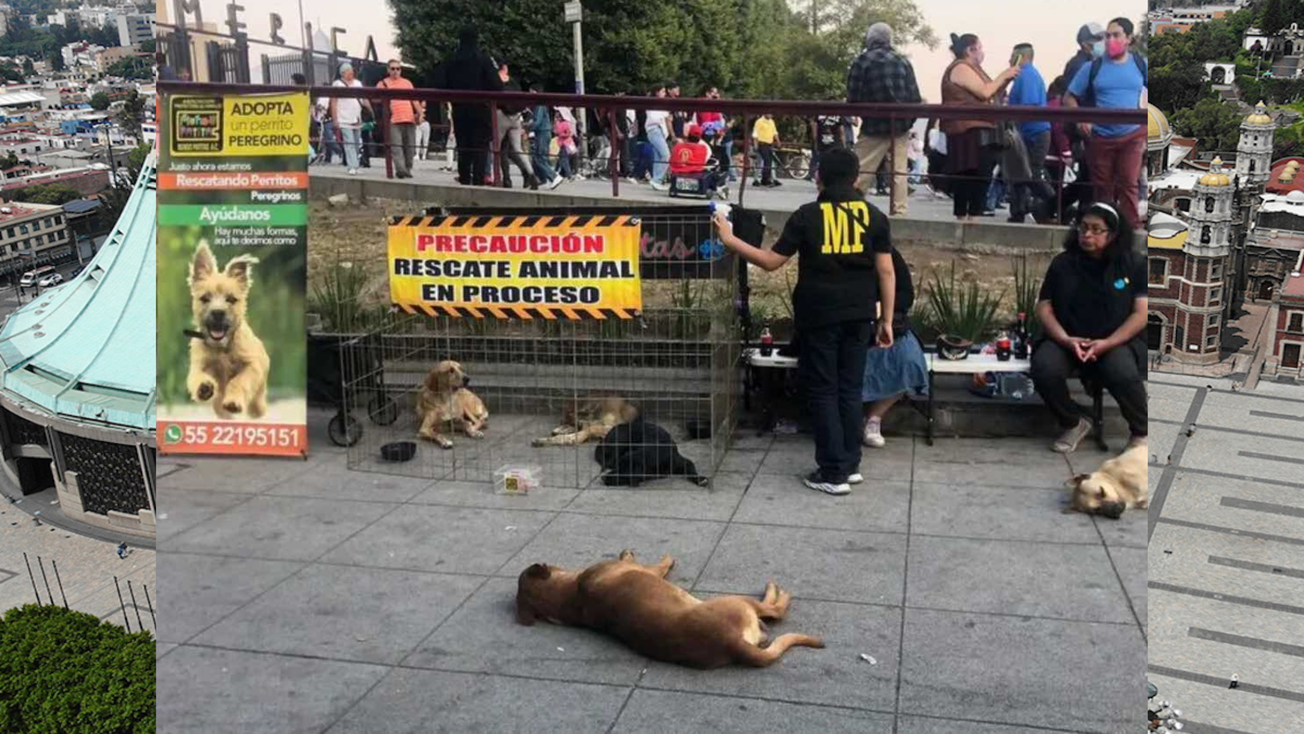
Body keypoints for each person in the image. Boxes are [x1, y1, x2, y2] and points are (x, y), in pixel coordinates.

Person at [712, 148, 896, 496]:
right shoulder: (874, 217)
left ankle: (832, 471)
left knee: (824, 389)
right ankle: (850, 463)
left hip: (819, 314)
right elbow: (885, 270)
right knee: (850, 389)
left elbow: (770, 262)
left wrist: (730, 239)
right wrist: (886, 318)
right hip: (860, 316)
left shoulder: (807, 216)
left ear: (818, 178)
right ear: (857, 178)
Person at [1030, 201, 1147, 453]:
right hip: (1067, 338)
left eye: (1096, 230)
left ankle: (1140, 431)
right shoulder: (1063, 263)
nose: (1087, 235)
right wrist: (1064, 339)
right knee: (1044, 369)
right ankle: (1073, 421)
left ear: (1113, 234)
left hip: (1115, 340)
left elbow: (1141, 313)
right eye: (1083, 228)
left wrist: (1108, 343)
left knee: (1122, 372)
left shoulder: (1134, 264)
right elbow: (1044, 307)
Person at [1065, 17, 1148, 225]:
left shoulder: (1141, 65)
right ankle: (1105, 227)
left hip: (1132, 135)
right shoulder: (1092, 67)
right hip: (1100, 137)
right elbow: (1069, 97)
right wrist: (1080, 119)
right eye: (1107, 36)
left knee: (1129, 183)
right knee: (1103, 187)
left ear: (1129, 39)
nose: (1110, 40)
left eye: (1116, 35)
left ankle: (1130, 230)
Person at [939, 33, 1020, 220]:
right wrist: (1004, 75)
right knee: (967, 176)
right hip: (966, 129)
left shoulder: (975, 69)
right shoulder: (961, 67)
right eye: (980, 47)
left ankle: (973, 218)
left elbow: (992, 92)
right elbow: (985, 92)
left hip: (979, 128)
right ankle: (964, 220)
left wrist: (1006, 79)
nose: (983, 52)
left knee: (980, 176)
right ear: (970, 50)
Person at [846, 22, 922, 216]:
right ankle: (899, 212)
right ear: (890, 39)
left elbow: (852, 97)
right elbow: (915, 98)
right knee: (899, 172)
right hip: (900, 126)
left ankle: (851, 209)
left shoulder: (862, 61)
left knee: (860, 169)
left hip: (873, 125)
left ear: (869, 39)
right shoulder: (903, 61)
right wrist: (907, 121)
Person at [861, 246, 928, 448]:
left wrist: (881, 307)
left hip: (887, 323)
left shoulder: (886, 252)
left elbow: (906, 295)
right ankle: (849, 418)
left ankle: (874, 417)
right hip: (850, 323)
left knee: (909, 359)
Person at [440, 26, 503, 186]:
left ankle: (464, 179)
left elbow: (441, 83)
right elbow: (496, 85)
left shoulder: (451, 60)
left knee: (463, 147)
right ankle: (478, 181)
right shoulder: (483, 59)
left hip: (460, 108)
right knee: (480, 148)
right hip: (481, 108)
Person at [1006, 43, 1054, 224]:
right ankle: (1018, 211)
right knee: (1018, 173)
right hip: (1026, 132)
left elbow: (1029, 105)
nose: (1009, 60)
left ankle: (1054, 202)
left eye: (1012, 56)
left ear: (1021, 57)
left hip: (1034, 133)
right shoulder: (1022, 77)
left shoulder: (1027, 76)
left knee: (1032, 174)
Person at [376, 59, 423, 179]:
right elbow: (375, 99)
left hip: (409, 117)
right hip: (393, 119)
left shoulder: (407, 83)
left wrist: (420, 113)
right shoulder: (382, 83)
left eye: (398, 68)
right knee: (396, 146)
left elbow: (414, 99)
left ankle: (407, 168)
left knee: (410, 147)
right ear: (388, 70)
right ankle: (401, 170)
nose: (395, 71)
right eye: (393, 68)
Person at [494, 63, 538, 189]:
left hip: (501, 115)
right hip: (516, 117)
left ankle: (504, 179)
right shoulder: (514, 82)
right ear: (505, 68)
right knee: (518, 149)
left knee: (498, 149)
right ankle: (531, 175)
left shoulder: (495, 82)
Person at [330, 62, 371, 175]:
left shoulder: (358, 83)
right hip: (344, 118)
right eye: (348, 71)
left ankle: (356, 165)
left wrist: (370, 111)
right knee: (349, 143)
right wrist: (335, 119)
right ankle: (351, 166)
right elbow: (333, 102)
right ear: (342, 73)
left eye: (352, 70)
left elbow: (364, 98)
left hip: (357, 117)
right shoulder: (337, 84)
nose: (351, 72)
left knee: (357, 142)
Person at [669, 123, 724, 196]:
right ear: (700, 137)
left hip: (677, 173)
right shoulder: (703, 148)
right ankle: (718, 188)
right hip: (694, 173)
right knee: (714, 174)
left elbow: (671, 161)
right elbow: (703, 163)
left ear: (688, 135)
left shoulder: (677, 146)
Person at [527, 86, 564, 189]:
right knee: (538, 157)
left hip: (542, 132)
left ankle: (554, 176)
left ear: (536, 92)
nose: (529, 95)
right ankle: (542, 179)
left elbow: (537, 122)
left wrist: (528, 127)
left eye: (531, 92)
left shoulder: (539, 104)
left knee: (539, 157)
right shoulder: (541, 104)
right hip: (544, 132)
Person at [645, 85, 674, 190]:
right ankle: (657, 179)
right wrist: (665, 117)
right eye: (662, 91)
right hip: (655, 130)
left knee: (658, 157)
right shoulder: (652, 103)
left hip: (660, 131)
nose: (665, 93)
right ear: (657, 92)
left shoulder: (662, 104)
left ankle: (656, 180)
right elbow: (654, 117)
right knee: (666, 155)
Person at [752, 113, 780, 187]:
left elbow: (775, 132)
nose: (771, 115)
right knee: (762, 161)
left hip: (769, 144)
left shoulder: (771, 122)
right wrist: (755, 145)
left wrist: (778, 141)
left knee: (770, 161)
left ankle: (772, 178)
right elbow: (755, 134)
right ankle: (758, 179)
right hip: (762, 144)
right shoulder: (759, 121)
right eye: (769, 114)